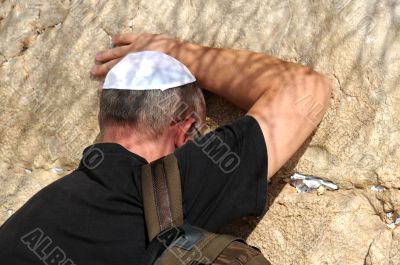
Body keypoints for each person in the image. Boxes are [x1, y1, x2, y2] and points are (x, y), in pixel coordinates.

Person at [0, 33, 330, 264]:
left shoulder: (27, 220)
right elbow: (304, 92)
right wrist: (178, 52)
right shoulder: (169, 188)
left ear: (105, 115)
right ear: (185, 131)